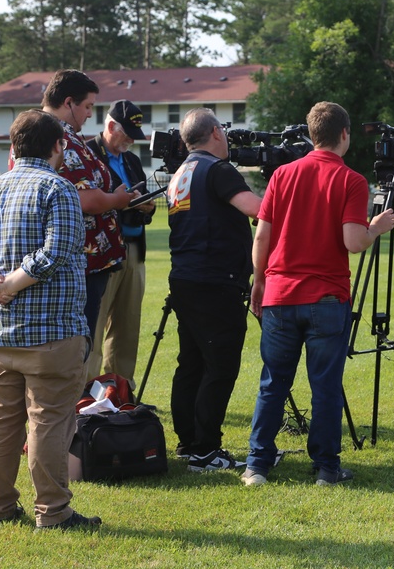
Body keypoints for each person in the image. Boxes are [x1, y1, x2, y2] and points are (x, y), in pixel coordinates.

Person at [0, 109, 101, 531]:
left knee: (1, 419)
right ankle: (54, 511)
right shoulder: (59, 188)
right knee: (49, 420)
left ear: (12, 147)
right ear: (58, 147)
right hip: (51, 331)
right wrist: (6, 284)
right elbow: (56, 252)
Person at [242, 101, 394, 487]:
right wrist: (376, 226)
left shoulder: (282, 175)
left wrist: (259, 281)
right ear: (344, 134)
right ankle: (327, 468)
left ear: (312, 135)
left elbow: (262, 234)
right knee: (325, 384)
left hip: (279, 292)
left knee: (273, 382)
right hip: (326, 297)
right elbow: (354, 241)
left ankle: (256, 465)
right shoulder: (352, 180)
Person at [166, 108, 262, 471]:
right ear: (217, 133)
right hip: (214, 280)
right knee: (219, 366)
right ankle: (206, 449)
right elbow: (256, 208)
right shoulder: (218, 169)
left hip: (186, 277)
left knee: (190, 363)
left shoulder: (181, 172)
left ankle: (189, 442)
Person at [40, 70, 139, 344]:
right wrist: (117, 200)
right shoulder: (59, 137)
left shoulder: (52, 132)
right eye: (87, 107)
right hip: (80, 263)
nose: (88, 114)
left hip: (87, 261)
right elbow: (84, 199)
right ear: (68, 102)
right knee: (78, 345)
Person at [85, 100, 155, 385]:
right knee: (96, 324)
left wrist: (145, 206)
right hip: (103, 251)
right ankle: (87, 393)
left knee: (128, 326)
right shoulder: (88, 153)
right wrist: (121, 202)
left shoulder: (132, 160)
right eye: (126, 132)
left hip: (134, 250)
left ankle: (120, 391)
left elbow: (141, 194)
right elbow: (90, 201)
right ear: (110, 126)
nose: (130, 139)